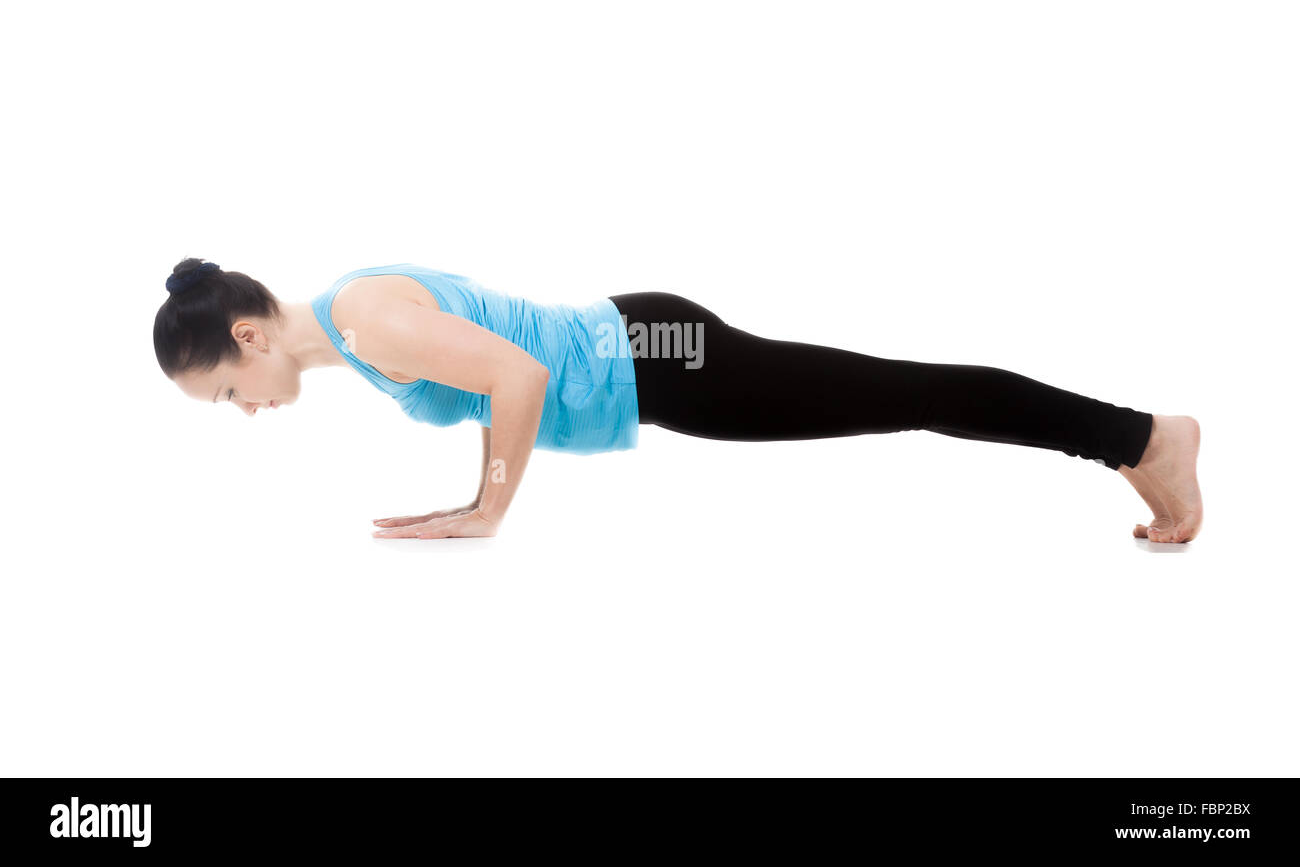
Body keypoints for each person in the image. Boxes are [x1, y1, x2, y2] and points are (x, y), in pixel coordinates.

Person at [154, 258, 1203, 544]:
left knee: (904, 393)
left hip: (658, 353)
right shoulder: (351, 334)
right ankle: (1127, 439)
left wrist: (488, 506)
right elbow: (498, 370)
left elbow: (519, 379)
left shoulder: (366, 316)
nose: (246, 408)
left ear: (247, 338)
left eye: (227, 391)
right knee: (899, 394)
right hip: (651, 356)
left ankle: (1144, 437)